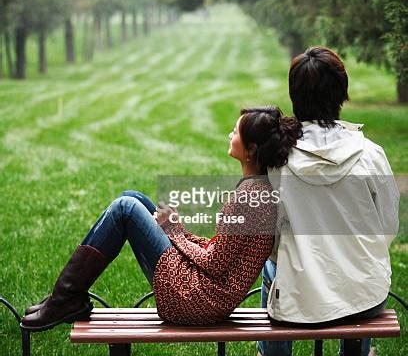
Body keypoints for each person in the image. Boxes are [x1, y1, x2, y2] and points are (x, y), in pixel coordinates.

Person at [21, 106, 302, 332]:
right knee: (135, 197)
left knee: (126, 207)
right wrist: (179, 230)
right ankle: (66, 297)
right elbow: (222, 252)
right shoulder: (258, 189)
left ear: (251, 149)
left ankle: (65, 298)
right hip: (207, 295)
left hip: (196, 301)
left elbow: (215, 265)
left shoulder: (249, 197)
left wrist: (174, 231)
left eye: (236, 130)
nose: (230, 134)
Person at [255, 46, 400, 356]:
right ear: (342, 93)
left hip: (297, 301)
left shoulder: (278, 161)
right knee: (362, 259)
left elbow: (271, 243)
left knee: (272, 266)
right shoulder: (370, 155)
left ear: (294, 96)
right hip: (365, 300)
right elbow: (387, 227)